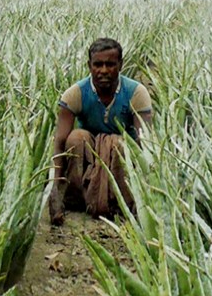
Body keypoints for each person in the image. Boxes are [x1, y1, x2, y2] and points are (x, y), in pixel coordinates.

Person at [48, 38, 153, 225]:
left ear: (120, 65)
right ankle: (76, 197)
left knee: (118, 144)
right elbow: (59, 141)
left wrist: (147, 192)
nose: (104, 70)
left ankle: (119, 199)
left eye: (110, 64)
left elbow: (144, 142)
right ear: (89, 65)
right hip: (87, 152)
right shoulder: (76, 93)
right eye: (98, 64)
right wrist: (54, 187)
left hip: (119, 155)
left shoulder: (136, 92)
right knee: (75, 138)